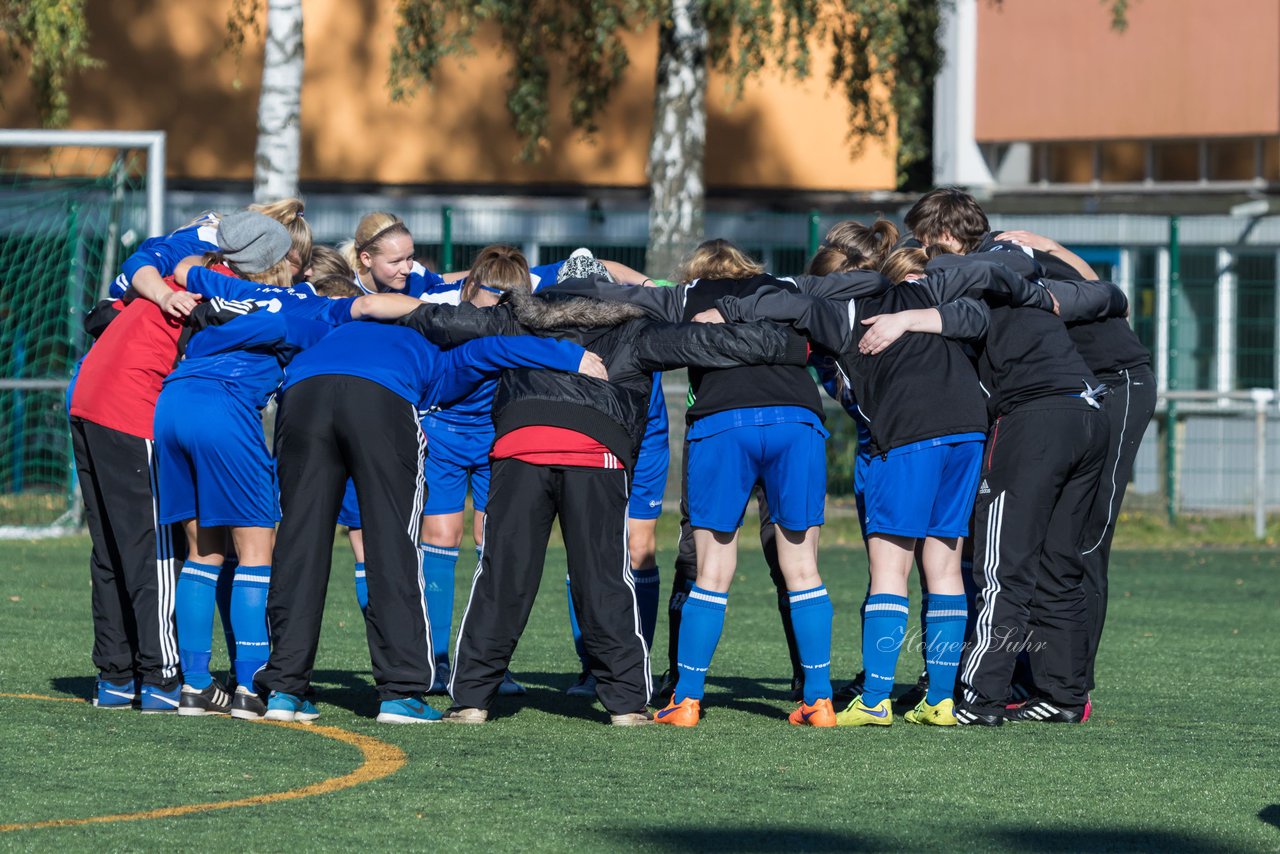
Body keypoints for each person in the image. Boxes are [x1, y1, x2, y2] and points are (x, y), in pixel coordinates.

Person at [394, 280, 810, 726]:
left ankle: (472, 700)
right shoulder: (636, 328)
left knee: (502, 575)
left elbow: (435, 318)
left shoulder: (514, 317)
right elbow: (709, 341)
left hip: (520, 447)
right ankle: (627, 705)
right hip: (596, 452)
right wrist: (797, 347)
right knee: (603, 576)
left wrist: (352, 308)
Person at [706, 230, 1063, 727]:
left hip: (910, 432)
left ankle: (873, 698)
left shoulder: (844, 308)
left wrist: (725, 310)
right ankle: (939, 698)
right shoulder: (927, 294)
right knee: (943, 567)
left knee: (889, 571)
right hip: (967, 430)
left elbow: (785, 304)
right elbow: (976, 316)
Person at [255, 293, 602, 725]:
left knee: (298, 541)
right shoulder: (440, 353)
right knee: (392, 543)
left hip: (303, 394)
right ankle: (400, 694)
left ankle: (284, 692)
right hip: (381, 400)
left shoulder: (339, 328)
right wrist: (570, 356)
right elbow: (494, 349)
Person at [68, 211, 292, 712]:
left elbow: (144, 264)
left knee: (109, 550)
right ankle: (166, 678)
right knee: (157, 551)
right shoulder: (222, 293)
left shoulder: (182, 266)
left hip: (85, 398)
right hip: (131, 406)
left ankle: (117, 677)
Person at [157, 254, 355, 718]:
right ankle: (251, 685)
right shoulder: (315, 313)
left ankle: (196, 686)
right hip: (223, 409)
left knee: (203, 552)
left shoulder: (250, 298)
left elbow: (186, 268)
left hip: (172, 404)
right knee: (256, 550)